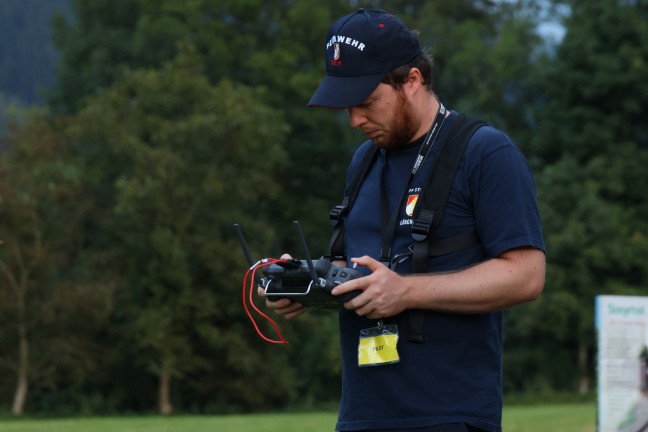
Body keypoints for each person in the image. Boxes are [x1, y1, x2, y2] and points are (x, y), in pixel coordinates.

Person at [260, 8, 545, 432]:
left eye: (367, 102)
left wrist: (407, 292)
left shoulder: (484, 152)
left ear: (412, 80)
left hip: (449, 415)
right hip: (362, 414)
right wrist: (309, 281)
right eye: (347, 107)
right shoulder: (364, 160)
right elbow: (371, 271)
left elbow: (526, 276)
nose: (356, 119)